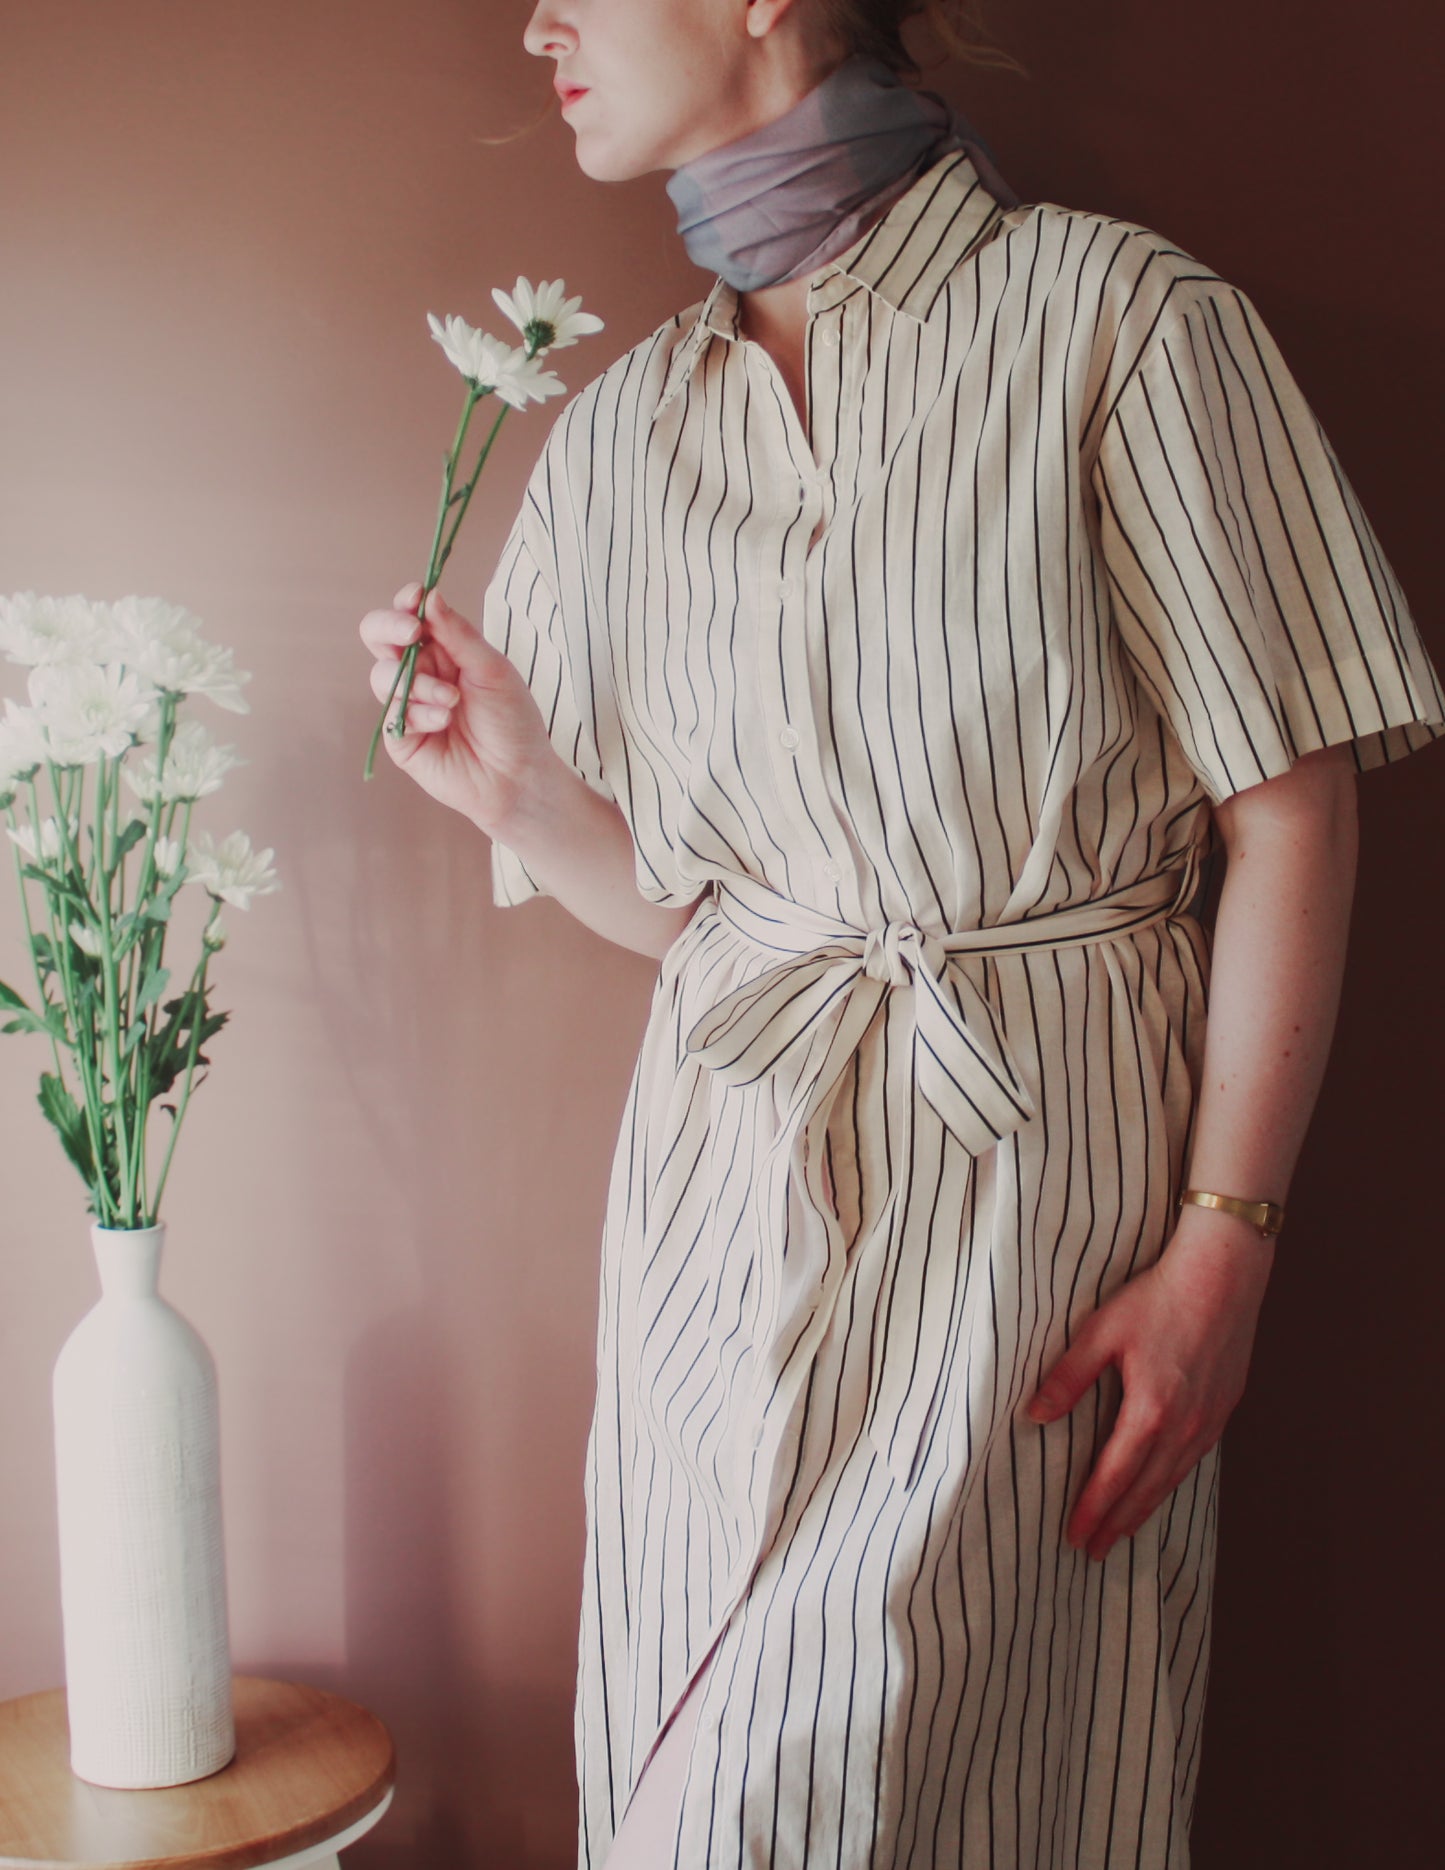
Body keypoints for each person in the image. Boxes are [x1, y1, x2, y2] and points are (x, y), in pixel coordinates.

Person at [359, 2, 1445, 1864]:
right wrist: (521, 793)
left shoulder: (1119, 321)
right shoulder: (620, 429)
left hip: (1031, 1225)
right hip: (712, 1247)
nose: (533, 22)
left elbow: (1288, 804)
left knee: (927, 1801)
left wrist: (1223, 1250)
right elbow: (707, 925)